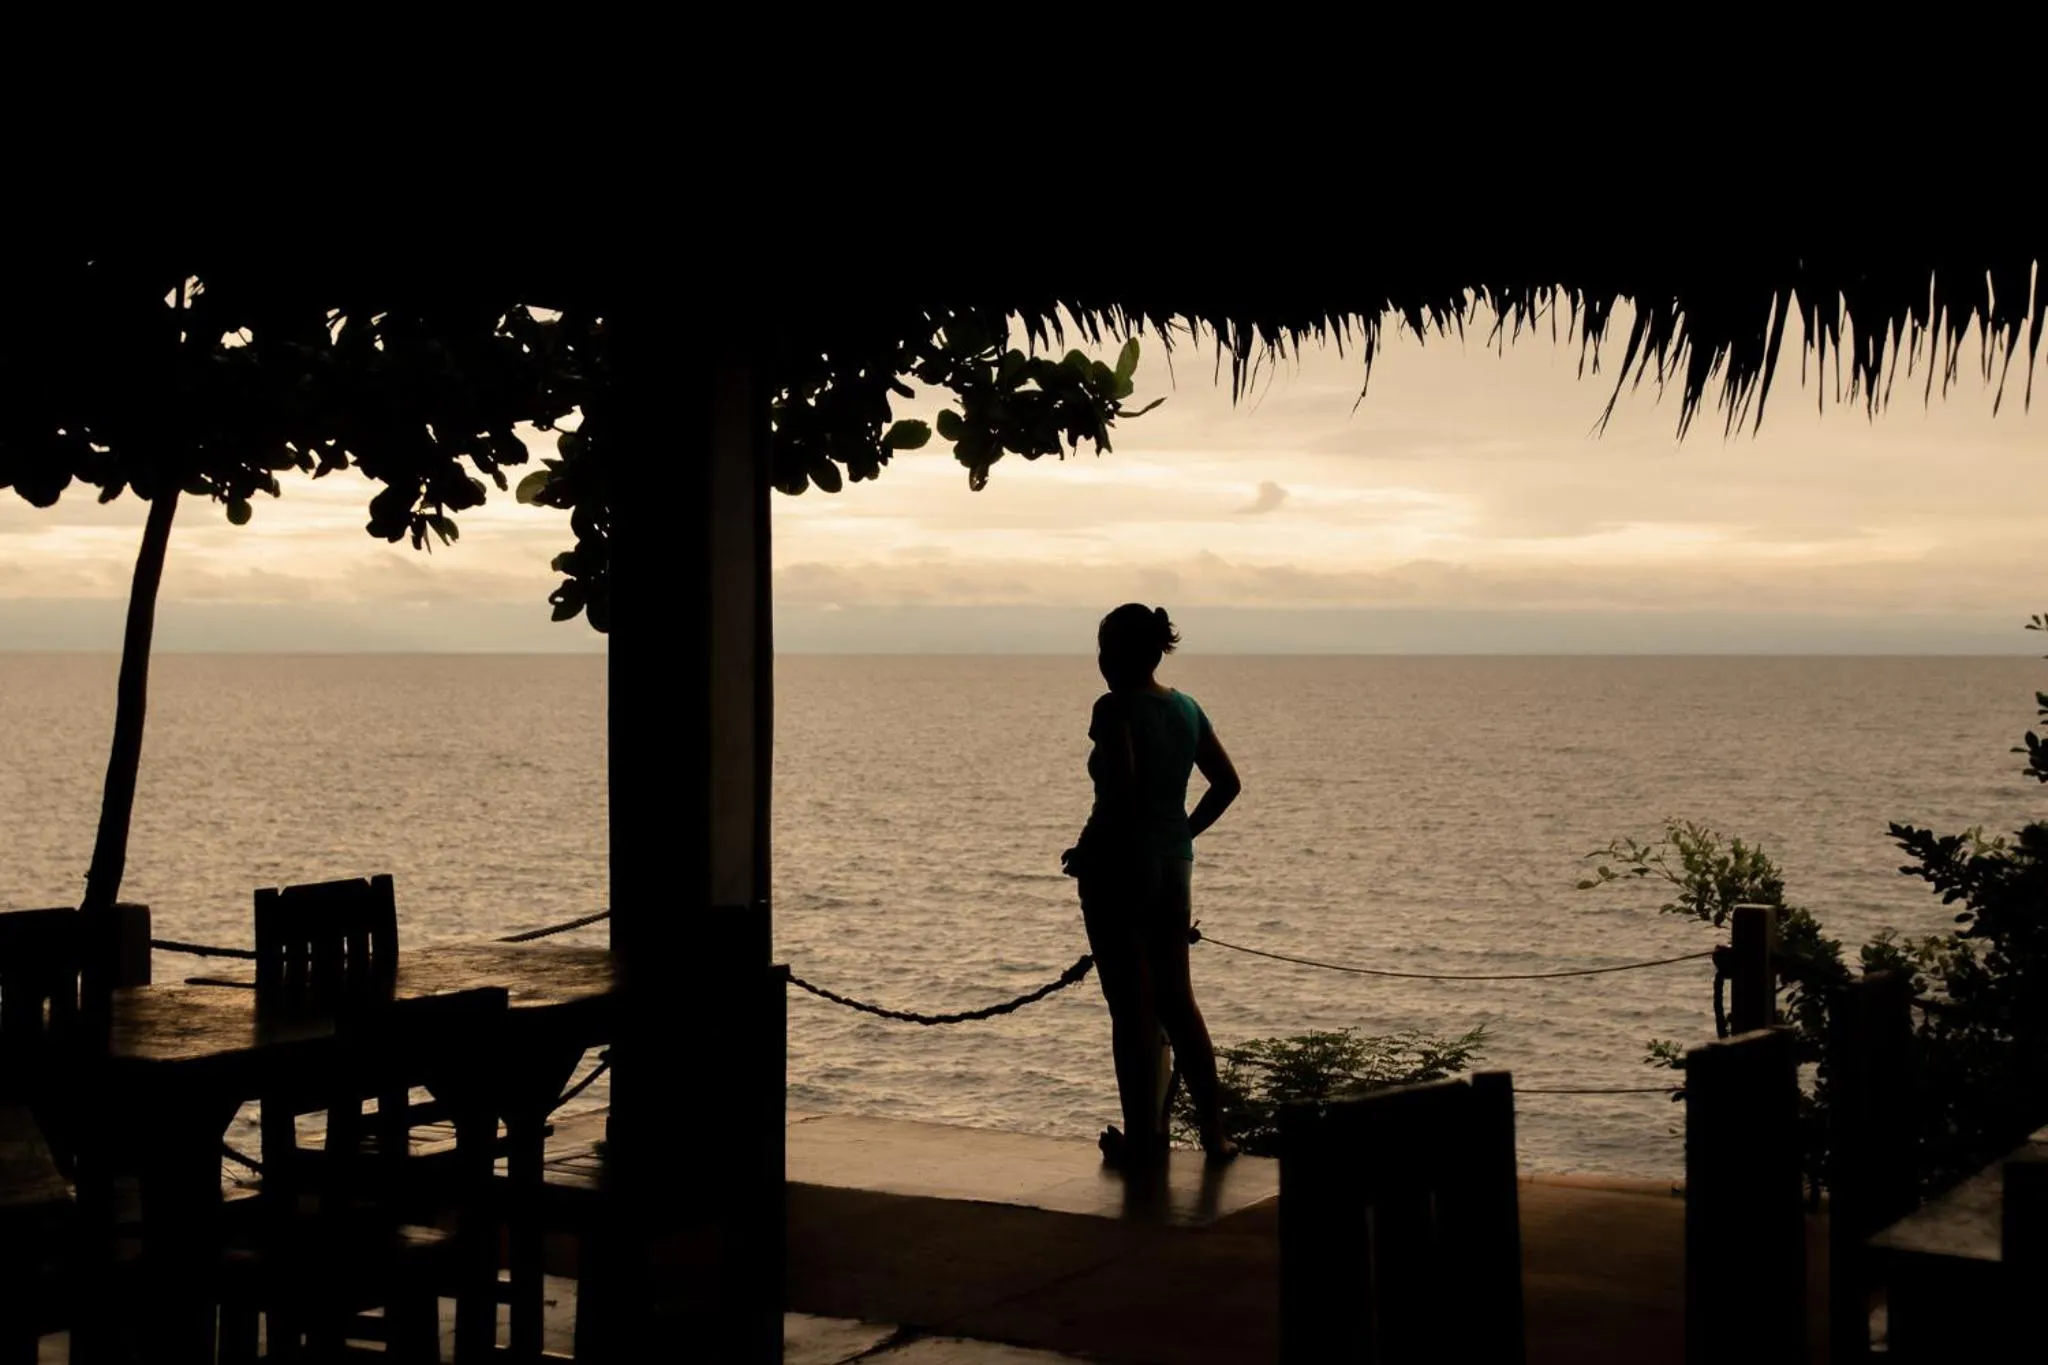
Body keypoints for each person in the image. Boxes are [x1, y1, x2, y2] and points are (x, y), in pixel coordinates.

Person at [1063, 603, 1242, 1166]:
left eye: (1103, 648)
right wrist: (1180, 833)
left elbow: (1120, 788)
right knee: (1178, 1005)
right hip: (1173, 866)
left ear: (1119, 653)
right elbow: (1227, 784)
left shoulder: (1114, 708)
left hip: (1121, 867)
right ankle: (1215, 1138)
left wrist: (1089, 849)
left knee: (1130, 1010)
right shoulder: (1187, 708)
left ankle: (1142, 1143)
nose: (1099, 660)